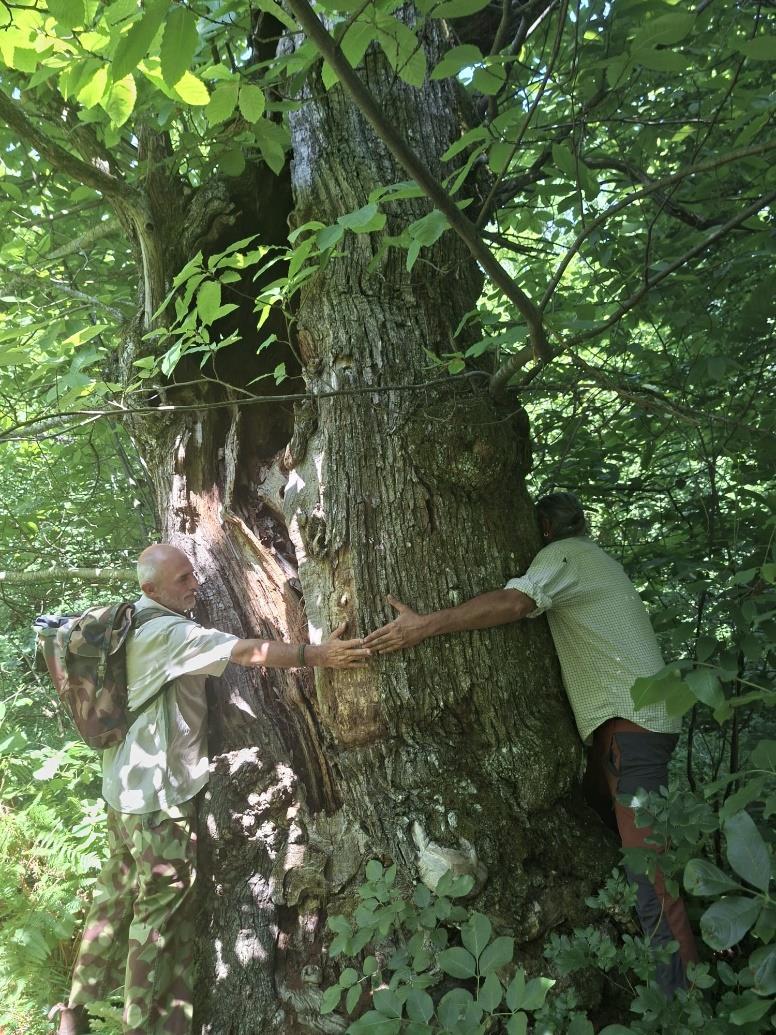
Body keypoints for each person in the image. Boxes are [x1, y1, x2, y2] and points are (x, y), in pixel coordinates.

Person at [364, 492, 698, 996]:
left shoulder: (565, 557)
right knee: (627, 855)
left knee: (651, 875)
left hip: (634, 729)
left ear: (542, 527)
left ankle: (685, 1004)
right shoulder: (593, 560)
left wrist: (426, 625)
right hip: (631, 730)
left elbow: (515, 602)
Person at [54, 543, 370, 1035]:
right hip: (157, 803)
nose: (195, 586)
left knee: (113, 899)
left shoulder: (127, 622)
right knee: (158, 925)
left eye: (192, 575)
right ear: (150, 589)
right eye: (182, 580)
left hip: (121, 792)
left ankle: (73, 1011)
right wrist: (317, 654)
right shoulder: (171, 633)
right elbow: (246, 651)